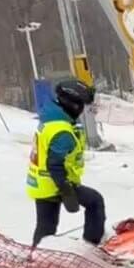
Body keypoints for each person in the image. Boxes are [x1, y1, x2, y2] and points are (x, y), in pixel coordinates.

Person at [28, 79, 105, 247]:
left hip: (41, 183)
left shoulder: (51, 118)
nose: (82, 110)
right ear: (73, 105)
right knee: (95, 202)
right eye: (81, 105)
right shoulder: (62, 132)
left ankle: (36, 256)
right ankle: (92, 246)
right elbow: (54, 164)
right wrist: (66, 190)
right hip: (55, 183)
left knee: (46, 227)